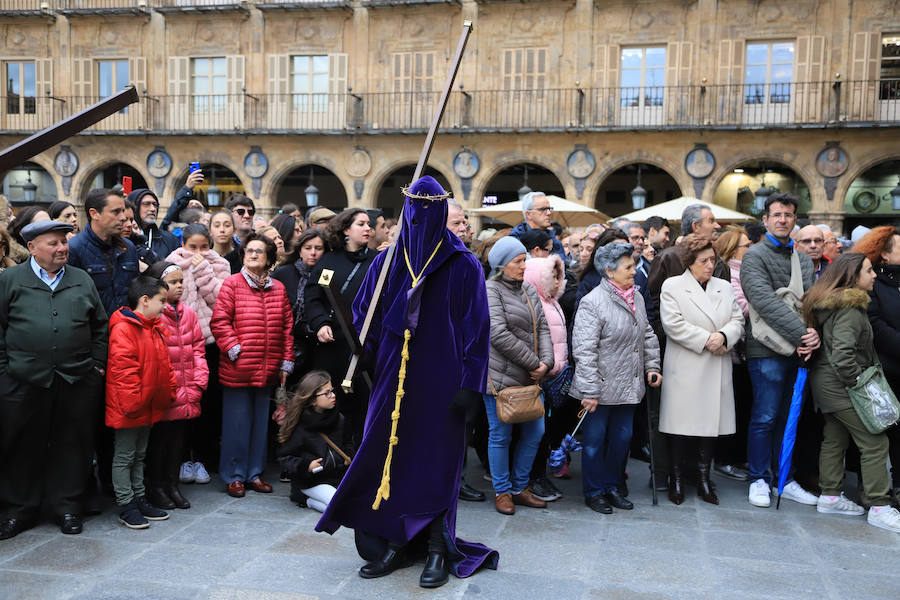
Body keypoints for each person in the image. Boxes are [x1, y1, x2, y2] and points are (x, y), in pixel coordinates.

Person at [315, 176, 498, 588]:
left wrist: (471, 384)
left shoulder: (463, 264)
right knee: (388, 457)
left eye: (431, 210)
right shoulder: (385, 263)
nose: (422, 218)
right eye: (415, 210)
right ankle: (396, 538)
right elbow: (365, 317)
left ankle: (436, 544)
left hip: (444, 382)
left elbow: (478, 329)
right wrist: (364, 341)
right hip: (391, 382)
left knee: (435, 460)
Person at [0, 221, 107, 539]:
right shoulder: (10, 280)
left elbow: (100, 327)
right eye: (53, 243)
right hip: (22, 379)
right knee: (21, 445)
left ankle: (68, 506)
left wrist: (96, 368)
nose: (62, 248)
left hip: (76, 379)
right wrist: (4, 371)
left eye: (64, 241)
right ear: (32, 248)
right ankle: (20, 509)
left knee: (72, 444)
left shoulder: (80, 279)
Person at [802, 253, 900, 532]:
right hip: (840, 385)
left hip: (828, 383)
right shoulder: (849, 308)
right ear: (853, 276)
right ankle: (879, 506)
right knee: (875, 441)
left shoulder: (837, 303)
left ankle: (830, 496)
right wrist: (858, 384)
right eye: (869, 271)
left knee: (835, 437)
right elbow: (844, 355)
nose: (874, 275)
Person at [740, 192, 820, 509]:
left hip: (797, 351)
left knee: (789, 418)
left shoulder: (802, 258)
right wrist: (804, 334)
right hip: (766, 349)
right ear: (766, 220)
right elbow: (764, 302)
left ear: (794, 219)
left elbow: (811, 302)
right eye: (777, 215)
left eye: (788, 215)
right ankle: (759, 478)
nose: (783, 220)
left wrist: (814, 334)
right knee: (765, 416)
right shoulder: (754, 256)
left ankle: (783, 478)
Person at [570, 242, 662, 514]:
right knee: (595, 442)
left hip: (629, 384)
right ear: (609, 272)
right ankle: (594, 491)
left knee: (622, 440)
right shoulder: (592, 302)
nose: (635, 271)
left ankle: (612, 486)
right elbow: (584, 350)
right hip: (600, 387)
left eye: (634, 266)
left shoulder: (638, 297)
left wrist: (652, 366)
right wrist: (588, 390)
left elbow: (646, 334)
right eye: (629, 267)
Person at [659, 238, 744, 506]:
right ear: (689, 263)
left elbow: (737, 319)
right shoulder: (673, 285)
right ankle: (677, 479)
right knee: (680, 426)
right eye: (704, 261)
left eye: (713, 260)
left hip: (716, 362)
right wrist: (708, 339)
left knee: (710, 425)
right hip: (686, 362)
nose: (710, 266)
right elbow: (673, 323)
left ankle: (704, 478)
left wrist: (723, 336)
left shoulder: (724, 286)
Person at [210, 233, 293, 498]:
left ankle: (254, 473)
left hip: (268, 368)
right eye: (249, 251)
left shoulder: (278, 288)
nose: (253, 254)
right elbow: (220, 322)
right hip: (239, 367)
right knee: (236, 425)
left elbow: (287, 328)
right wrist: (235, 349)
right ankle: (234, 476)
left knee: (259, 426)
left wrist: (286, 361)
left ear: (269, 258)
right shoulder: (232, 284)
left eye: (259, 251)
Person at [483, 236, 554, 515]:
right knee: (500, 435)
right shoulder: (490, 290)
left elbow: (544, 329)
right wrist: (534, 362)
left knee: (535, 432)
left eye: (525, 260)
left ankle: (520, 487)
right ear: (502, 265)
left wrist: (545, 363)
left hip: (530, 377)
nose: (525, 266)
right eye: (518, 261)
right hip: (499, 378)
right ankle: (502, 491)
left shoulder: (528, 290)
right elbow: (497, 333)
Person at [106, 276, 178, 529]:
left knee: (139, 454)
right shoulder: (125, 328)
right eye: (161, 301)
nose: (165, 307)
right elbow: (124, 372)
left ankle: (139, 497)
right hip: (131, 407)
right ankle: (126, 503)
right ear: (144, 300)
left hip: (147, 404)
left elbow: (165, 364)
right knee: (125, 456)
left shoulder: (153, 326)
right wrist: (132, 404)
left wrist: (169, 390)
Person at [162, 223, 230, 485]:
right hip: (178, 342)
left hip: (209, 341)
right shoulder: (171, 264)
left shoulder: (219, 263)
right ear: (183, 245)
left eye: (204, 247)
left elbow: (220, 298)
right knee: (179, 401)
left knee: (208, 401)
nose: (198, 252)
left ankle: (202, 457)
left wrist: (203, 269)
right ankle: (179, 459)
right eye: (193, 247)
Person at [304, 209, 375, 449]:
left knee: (365, 406)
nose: (368, 228)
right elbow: (313, 297)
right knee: (334, 404)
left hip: (367, 346)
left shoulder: (379, 261)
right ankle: (333, 459)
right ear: (346, 230)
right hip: (334, 346)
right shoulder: (329, 261)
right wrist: (321, 322)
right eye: (361, 224)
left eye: (369, 224)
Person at [144, 261, 208, 510]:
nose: (179, 286)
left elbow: (199, 349)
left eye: (182, 281)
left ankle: (172, 485)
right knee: (160, 441)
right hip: (166, 390)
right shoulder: (156, 315)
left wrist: (199, 381)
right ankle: (156, 486)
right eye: (173, 282)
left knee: (178, 441)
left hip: (188, 388)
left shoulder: (189, 314)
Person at [854, 225, 900, 505]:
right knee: (880, 432)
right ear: (884, 253)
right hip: (884, 370)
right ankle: (871, 487)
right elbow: (876, 326)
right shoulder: (872, 284)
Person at [524, 254, 569, 503]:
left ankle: (539, 476)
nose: (556, 280)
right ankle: (532, 478)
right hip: (539, 379)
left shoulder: (552, 302)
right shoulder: (534, 304)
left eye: (558, 276)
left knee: (546, 434)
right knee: (535, 435)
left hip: (555, 379)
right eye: (551, 276)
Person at [711, 225, 752, 481]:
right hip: (733, 352)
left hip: (744, 352)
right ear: (733, 250)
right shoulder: (730, 275)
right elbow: (740, 308)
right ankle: (725, 459)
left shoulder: (745, 273)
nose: (751, 249)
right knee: (733, 406)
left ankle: (736, 457)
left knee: (743, 406)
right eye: (747, 245)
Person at [276, 371, 350, 512]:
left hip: (337, 477)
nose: (333, 395)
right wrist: (306, 466)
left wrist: (348, 457)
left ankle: (308, 501)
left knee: (350, 504)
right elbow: (284, 456)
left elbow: (347, 443)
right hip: (311, 481)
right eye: (327, 393)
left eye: (332, 391)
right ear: (313, 400)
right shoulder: (300, 425)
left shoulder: (339, 419)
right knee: (341, 507)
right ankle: (305, 497)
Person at [68, 187, 140, 317]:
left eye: (123, 211)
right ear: (94, 213)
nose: (123, 217)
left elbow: (135, 293)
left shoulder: (129, 248)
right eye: (116, 212)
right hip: (93, 333)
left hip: (126, 330)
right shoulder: (73, 249)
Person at [510, 191, 566, 261]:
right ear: (528, 214)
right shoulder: (515, 241)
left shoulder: (555, 242)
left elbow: (562, 268)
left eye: (549, 209)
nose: (549, 213)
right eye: (543, 209)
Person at [127, 189, 180, 258]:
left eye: (155, 205)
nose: (153, 209)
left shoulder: (170, 240)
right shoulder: (124, 237)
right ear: (135, 207)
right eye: (146, 204)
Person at [208, 209, 240, 274]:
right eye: (217, 226)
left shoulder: (242, 258)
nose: (222, 230)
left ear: (234, 230)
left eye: (227, 225)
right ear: (210, 231)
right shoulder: (204, 258)